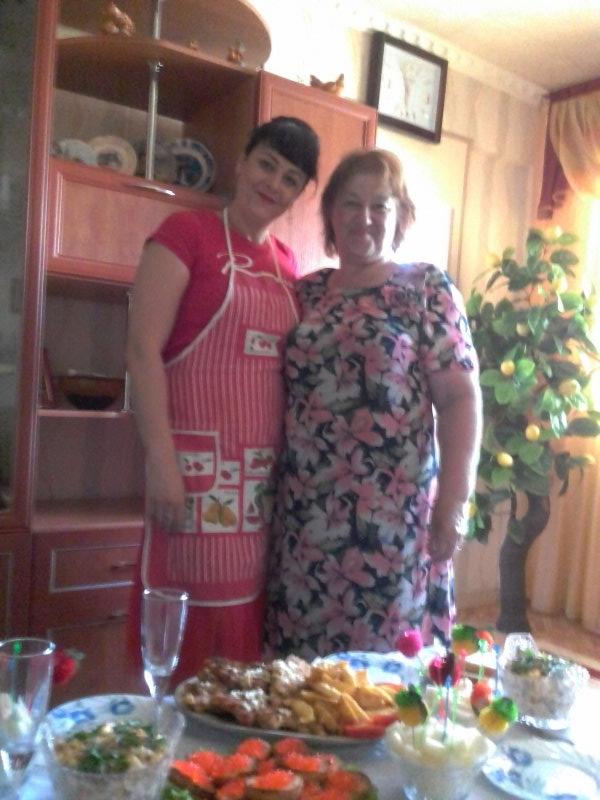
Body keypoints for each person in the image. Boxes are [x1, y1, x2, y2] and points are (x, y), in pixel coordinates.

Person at [264, 148, 482, 660]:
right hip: (304, 521)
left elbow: (459, 399)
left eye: (380, 205)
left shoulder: (425, 288)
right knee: (301, 680)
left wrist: (453, 507)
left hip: (392, 527)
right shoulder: (305, 293)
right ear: (330, 215)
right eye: (350, 203)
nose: (364, 217)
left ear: (400, 216)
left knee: (385, 676)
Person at [126, 117, 319, 681]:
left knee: (243, 643)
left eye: (290, 178)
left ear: (299, 194)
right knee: (184, 630)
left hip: (257, 488)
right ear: (241, 161)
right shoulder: (186, 234)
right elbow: (141, 350)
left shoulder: (288, 266)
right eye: (266, 165)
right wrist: (161, 460)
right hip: (191, 476)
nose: (273, 183)